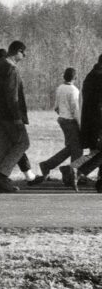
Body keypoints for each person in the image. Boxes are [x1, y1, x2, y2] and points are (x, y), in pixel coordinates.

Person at [0, 40, 29, 193]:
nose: (24, 55)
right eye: (23, 52)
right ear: (17, 51)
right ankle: (1, 174)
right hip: (9, 115)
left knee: (3, 145)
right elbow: (12, 96)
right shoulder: (11, 68)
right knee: (22, 143)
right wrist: (17, 116)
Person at [31, 67, 82, 185]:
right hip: (71, 121)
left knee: (72, 148)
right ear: (75, 77)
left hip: (62, 120)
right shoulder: (74, 90)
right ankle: (72, 175)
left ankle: (48, 165)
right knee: (77, 150)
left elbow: (56, 107)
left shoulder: (60, 88)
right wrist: (80, 125)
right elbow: (76, 110)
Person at [60, 56, 102, 191]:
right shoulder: (99, 78)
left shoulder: (91, 76)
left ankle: (72, 168)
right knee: (98, 152)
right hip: (98, 122)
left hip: (91, 121)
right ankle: (75, 170)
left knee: (96, 151)